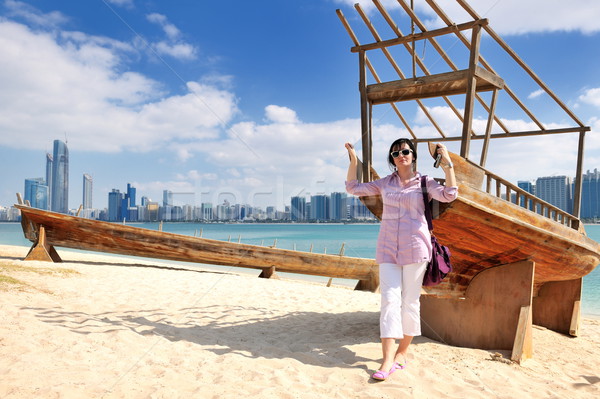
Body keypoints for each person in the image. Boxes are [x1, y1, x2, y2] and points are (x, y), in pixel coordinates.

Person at [344, 138, 457, 381]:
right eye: (396, 153)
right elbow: (353, 187)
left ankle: (402, 352)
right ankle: (386, 360)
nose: (401, 155)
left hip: (416, 248)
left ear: (413, 155)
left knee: (410, 302)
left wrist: (448, 164)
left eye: (405, 151)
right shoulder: (386, 183)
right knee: (388, 301)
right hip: (387, 248)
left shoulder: (425, 182)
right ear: (392, 158)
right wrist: (353, 160)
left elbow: (450, 194)